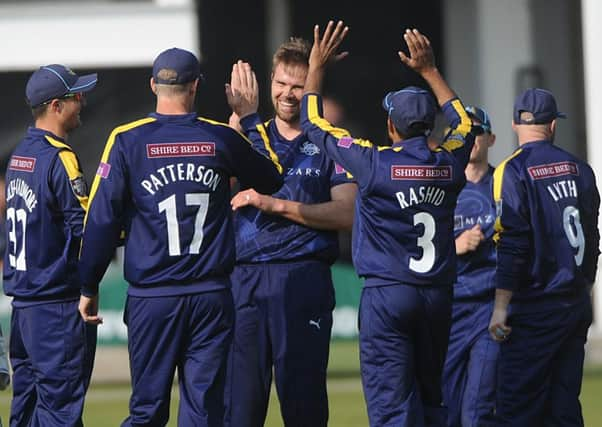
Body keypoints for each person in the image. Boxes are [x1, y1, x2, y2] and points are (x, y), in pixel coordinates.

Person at [77, 48, 282, 427]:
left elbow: (101, 220)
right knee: (204, 412)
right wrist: (251, 118)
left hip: (153, 299)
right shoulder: (221, 137)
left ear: (154, 85)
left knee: (147, 411)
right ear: (197, 86)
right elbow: (273, 177)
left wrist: (88, 284)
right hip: (210, 296)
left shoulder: (127, 140)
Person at [300, 22, 479, 426]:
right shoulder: (448, 164)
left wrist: (317, 66)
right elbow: (465, 125)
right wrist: (430, 71)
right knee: (433, 398)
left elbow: (313, 121)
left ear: (391, 126)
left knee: (390, 406)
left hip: (389, 294)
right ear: (428, 129)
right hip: (437, 295)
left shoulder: (374, 163)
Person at [223, 37, 357, 427]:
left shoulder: (330, 141)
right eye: (281, 83)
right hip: (245, 279)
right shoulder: (246, 132)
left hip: (303, 278)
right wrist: (236, 124)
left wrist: (279, 206)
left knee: (304, 407)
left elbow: (346, 213)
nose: (288, 93)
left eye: (298, 86)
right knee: (241, 408)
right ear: (270, 82)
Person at [488, 88, 600, 426]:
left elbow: (513, 243)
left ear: (514, 124)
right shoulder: (580, 169)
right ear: (552, 124)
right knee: (564, 407)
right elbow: (592, 237)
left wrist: (500, 307)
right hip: (574, 303)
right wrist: (586, 287)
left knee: (517, 409)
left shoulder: (512, 171)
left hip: (535, 306)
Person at [3, 64, 97, 426]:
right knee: (60, 415)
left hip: (23, 310)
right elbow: (86, 230)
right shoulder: (61, 157)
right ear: (56, 106)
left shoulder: (19, 156)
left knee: (25, 414)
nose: (82, 101)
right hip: (55, 308)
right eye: (75, 96)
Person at [441, 106, 498, 427]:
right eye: (463, 133)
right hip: (448, 311)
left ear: (490, 138)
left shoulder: (504, 184)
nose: (471, 140)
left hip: (490, 310)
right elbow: (409, 250)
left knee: (477, 410)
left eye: (477, 133)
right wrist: (456, 246)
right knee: (446, 410)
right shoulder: (442, 186)